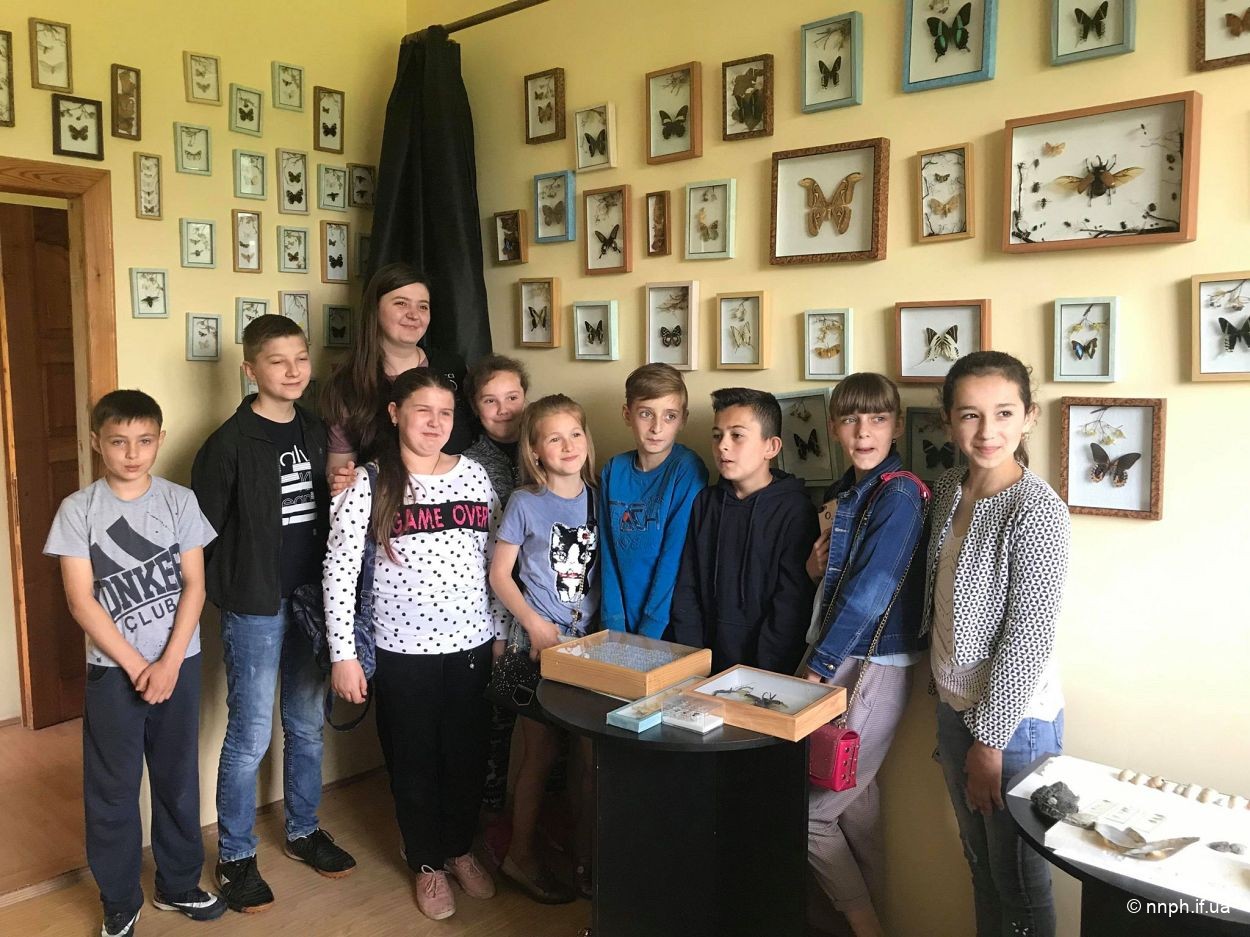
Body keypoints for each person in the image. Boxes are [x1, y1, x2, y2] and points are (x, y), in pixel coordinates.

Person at [325, 369, 505, 922]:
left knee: (468, 756)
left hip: (472, 644)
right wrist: (343, 655)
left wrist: (499, 633)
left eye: (445, 413)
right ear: (395, 413)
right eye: (422, 410)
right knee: (414, 762)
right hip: (402, 650)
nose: (434, 423)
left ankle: (459, 848)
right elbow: (339, 569)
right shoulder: (370, 482)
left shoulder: (474, 475)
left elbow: (498, 561)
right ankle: (427, 862)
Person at [44, 390, 225, 937]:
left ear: (159, 441)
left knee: (177, 781)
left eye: (144, 441)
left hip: (179, 666)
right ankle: (120, 898)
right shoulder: (79, 510)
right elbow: (81, 600)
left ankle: (178, 884)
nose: (132, 453)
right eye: (118, 442)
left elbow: (195, 585)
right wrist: (135, 664)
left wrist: (167, 663)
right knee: (113, 790)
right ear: (96, 442)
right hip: (112, 672)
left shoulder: (179, 501)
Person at [191, 315, 355, 914]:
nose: (292, 371)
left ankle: (303, 830)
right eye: (277, 361)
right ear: (250, 369)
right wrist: (231, 592)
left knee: (306, 724)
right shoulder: (227, 444)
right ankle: (235, 855)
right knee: (250, 734)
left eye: (300, 358)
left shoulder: (315, 429)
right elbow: (201, 538)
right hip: (255, 607)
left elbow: (332, 512)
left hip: (313, 601)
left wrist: (343, 485)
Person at [926, 351, 1069, 937]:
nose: (987, 431)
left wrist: (989, 743)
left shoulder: (1037, 510)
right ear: (948, 421)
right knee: (981, 866)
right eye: (970, 414)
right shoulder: (946, 489)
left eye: (1004, 413)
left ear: (1029, 417)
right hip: (953, 705)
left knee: (1022, 884)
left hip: (1014, 724)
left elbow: (1028, 637)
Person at [802, 374, 928, 937]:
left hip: (867, 663)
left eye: (877, 419)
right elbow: (846, 582)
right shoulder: (853, 490)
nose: (863, 432)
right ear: (834, 427)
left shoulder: (898, 494)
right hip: (848, 653)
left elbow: (874, 591)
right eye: (851, 419)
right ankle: (856, 917)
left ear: (896, 425)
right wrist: (815, 571)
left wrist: (820, 666)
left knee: (809, 812)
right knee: (854, 801)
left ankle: (865, 925)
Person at [489, 394, 599, 904]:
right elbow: (500, 574)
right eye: (554, 438)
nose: (568, 445)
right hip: (534, 644)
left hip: (589, 647)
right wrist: (533, 624)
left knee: (588, 754)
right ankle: (521, 855)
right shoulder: (524, 503)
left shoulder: (599, 498)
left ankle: (584, 855)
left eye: (575, 434)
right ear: (535, 451)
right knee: (540, 753)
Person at [670, 388, 819, 674]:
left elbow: (791, 604)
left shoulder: (796, 510)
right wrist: (694, 661)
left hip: (768, 672)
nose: (723, 446)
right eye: (717, 435)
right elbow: (687, 586)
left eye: (737, 435)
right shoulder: (704, 503)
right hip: (702, 666)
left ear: (771, 447)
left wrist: (763, 671)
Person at [321, 262, 475, 481]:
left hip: (458, 497)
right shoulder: (347, 384)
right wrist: (340, 480)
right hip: (383, 499)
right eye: (401, 303)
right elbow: (339, 468)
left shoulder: (453, 367)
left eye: (423, 306)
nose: (414, 315)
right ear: (375, 308)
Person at [460, 354, 531, 822]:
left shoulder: (547, 448)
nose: (504, 409)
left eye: (512, 397)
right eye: (490, 400)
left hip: (549, 607)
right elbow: (475, 558)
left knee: (542, 721)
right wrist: (498, 629)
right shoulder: (470, 466)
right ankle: (490, 819)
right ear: (474, 407)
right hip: (495, 611)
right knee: (498, 716)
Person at [599, 363, 707, 637]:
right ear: (627, 414)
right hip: (618, 620)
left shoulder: (686, 469)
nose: (657, 427)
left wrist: (651, 628)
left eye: (670, 416)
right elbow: (607, 552)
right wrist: (613, 623)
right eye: (646, 414)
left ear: (683, 419)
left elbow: (674, 555)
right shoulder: (613, 470)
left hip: (666, 624)